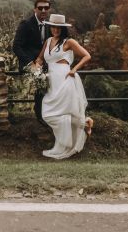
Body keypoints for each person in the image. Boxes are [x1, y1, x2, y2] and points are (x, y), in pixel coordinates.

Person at [35, 13, 93, 159]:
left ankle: (84, 125)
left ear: (63, 28)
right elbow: (40, 58)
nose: (56, 29)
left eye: (59, 27)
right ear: (50, 27)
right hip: (51, 82)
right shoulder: (48, 41)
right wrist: (36, 70)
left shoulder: (69, 42)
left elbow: (87, 56)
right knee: (47, 113)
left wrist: (74, 69)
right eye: (53, 26)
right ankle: (85, 123)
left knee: (68, 111)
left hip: (66, 79)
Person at [13, 0, 51, 124]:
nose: (43, 11)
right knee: (41, 79)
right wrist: (31, 63)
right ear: (35, 9)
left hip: (44, 63)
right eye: (40, 8)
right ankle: (40, 115)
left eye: (46, 8)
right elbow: (16, 47)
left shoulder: (49, 26)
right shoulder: (26, 24)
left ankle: (51, 111)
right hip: (28, 63)